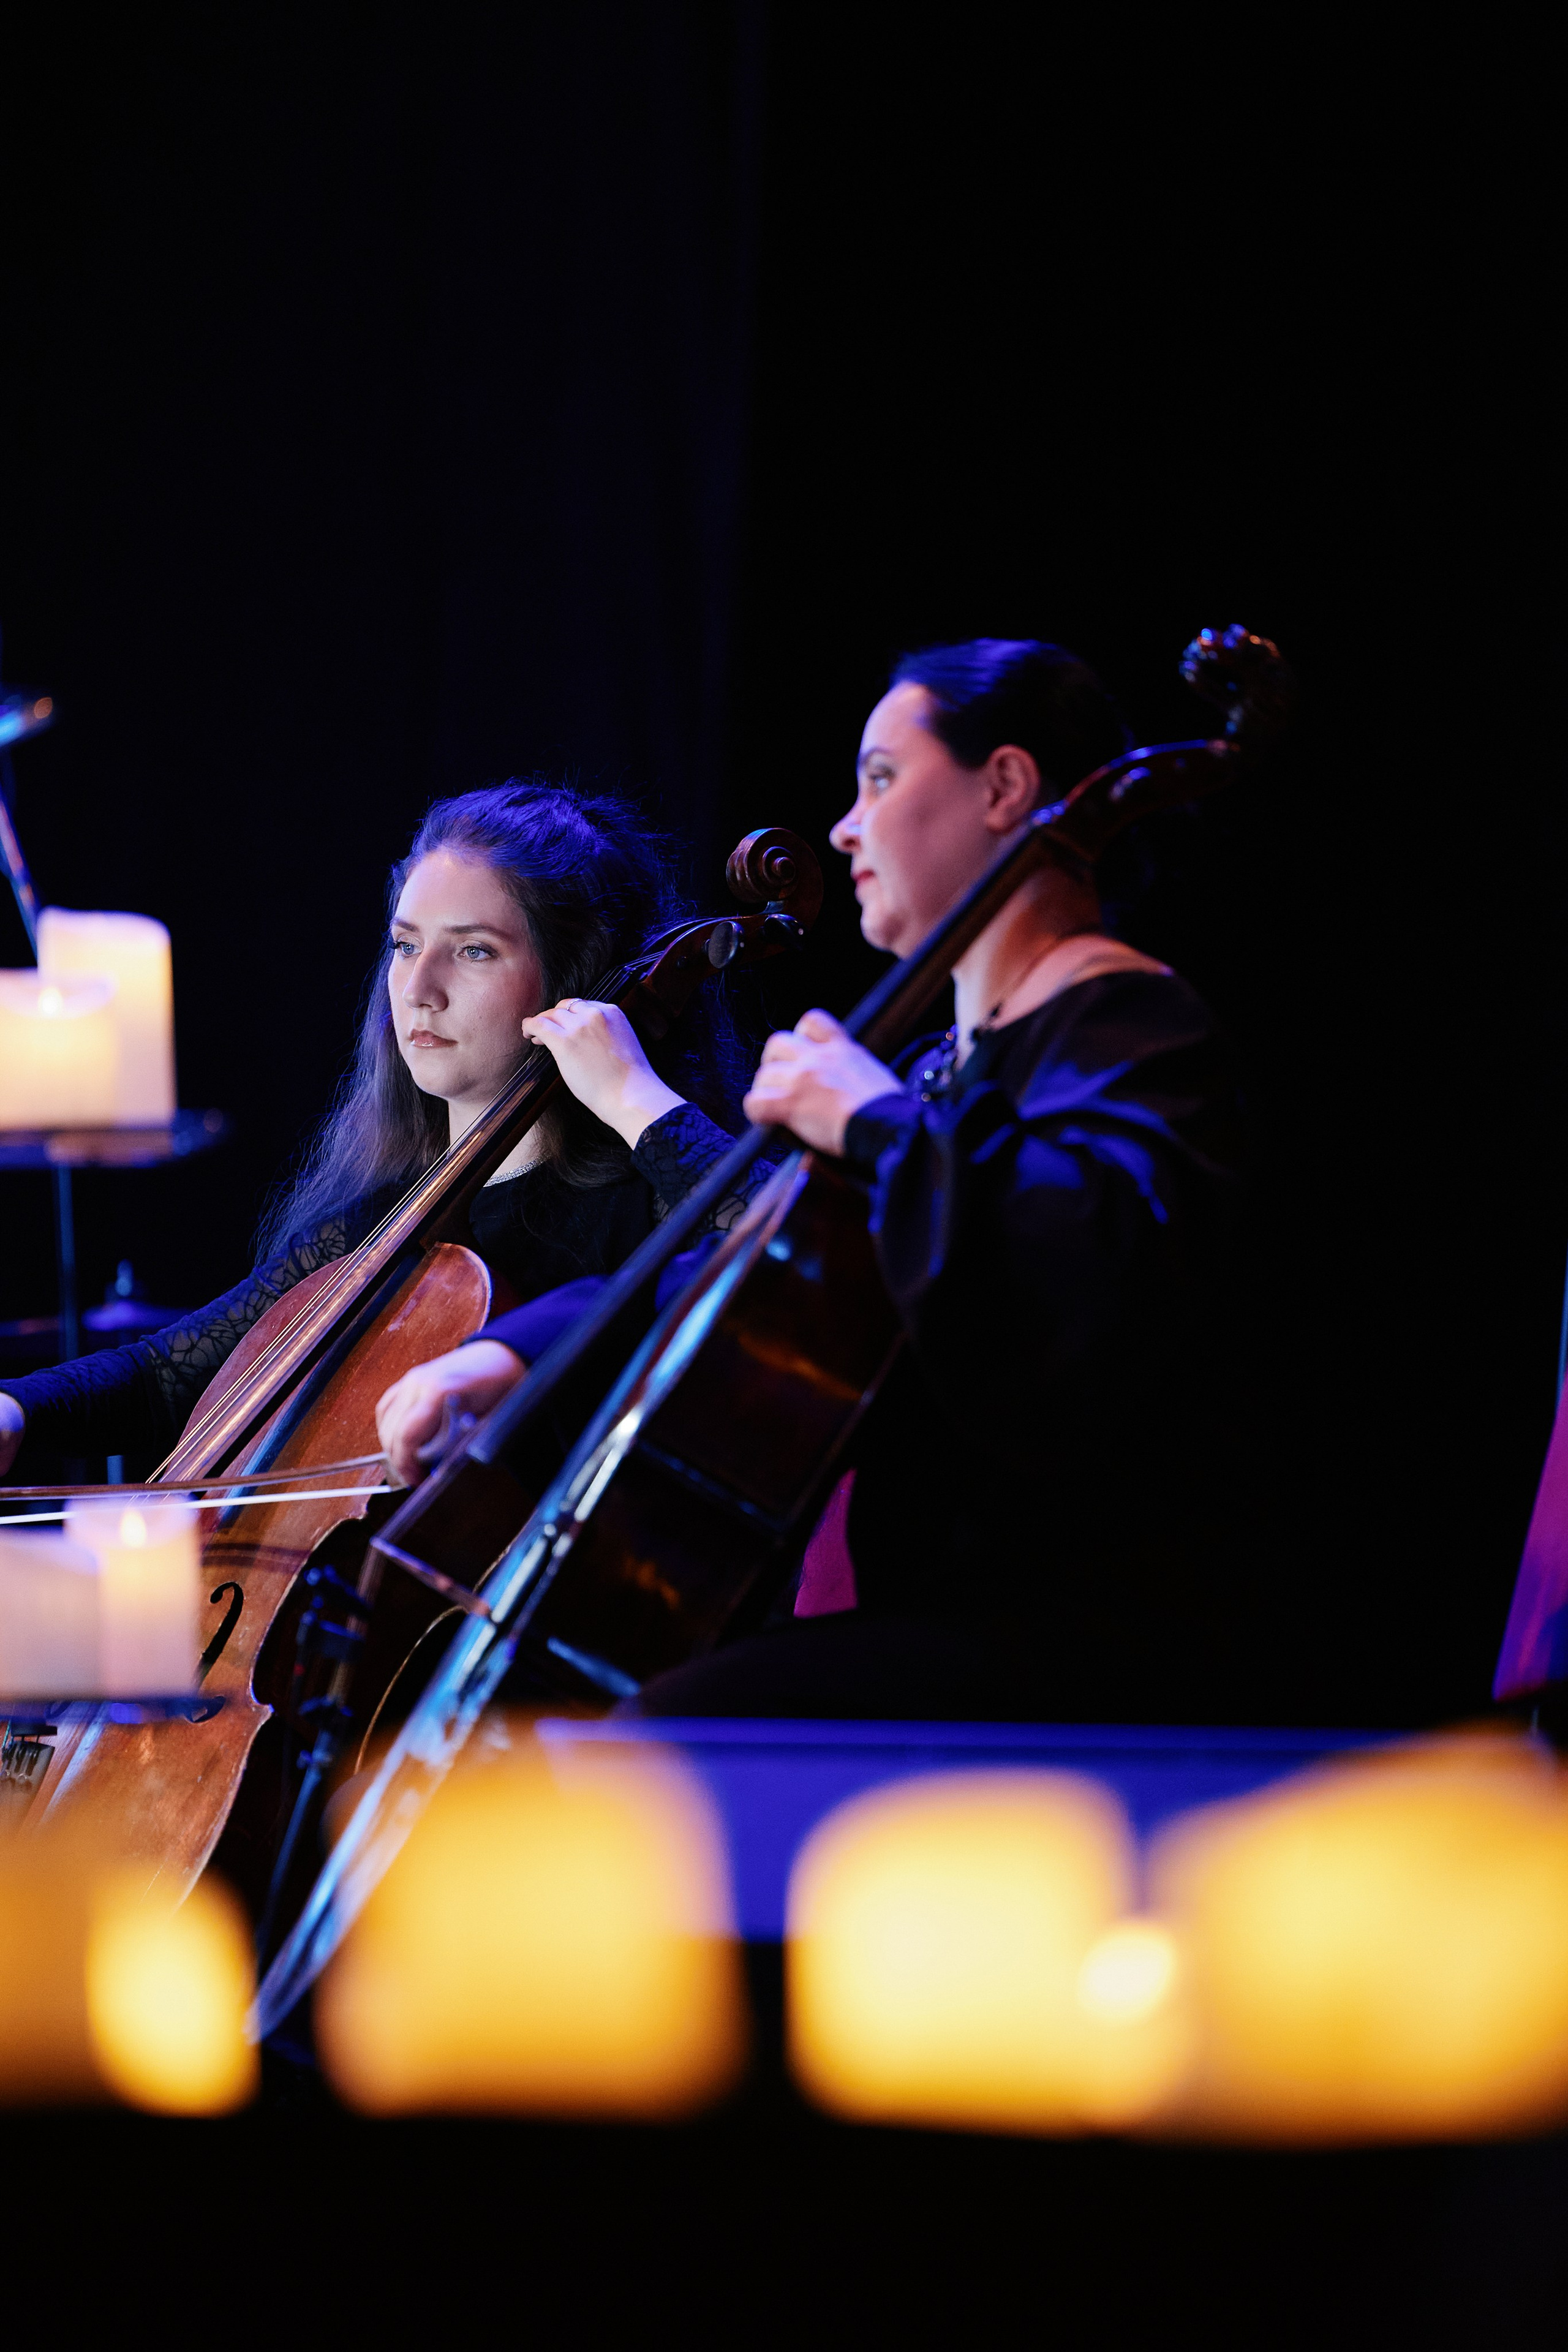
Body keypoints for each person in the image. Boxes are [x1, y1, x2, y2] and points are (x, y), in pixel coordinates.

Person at [382, 639, 1253, 1722]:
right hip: (929, 1608)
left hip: (1065, 1617)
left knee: (637, 1759)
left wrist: (875, 1123)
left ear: (1006, 789)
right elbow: (738, 1269)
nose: (845, 826)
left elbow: (1081, 1262)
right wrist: (514, 1356)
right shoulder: (942, 1066)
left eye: (881, 779)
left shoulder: (1125, 1024)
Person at [0, 780, 760, 1482]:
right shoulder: (381, 1228)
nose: (418, 989)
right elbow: (172, 1373)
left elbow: (784, 1242)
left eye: (473, 950)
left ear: (576, 979)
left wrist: (634, 1097)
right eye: (404, 945)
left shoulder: (650, 1204)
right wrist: (18, 1409)